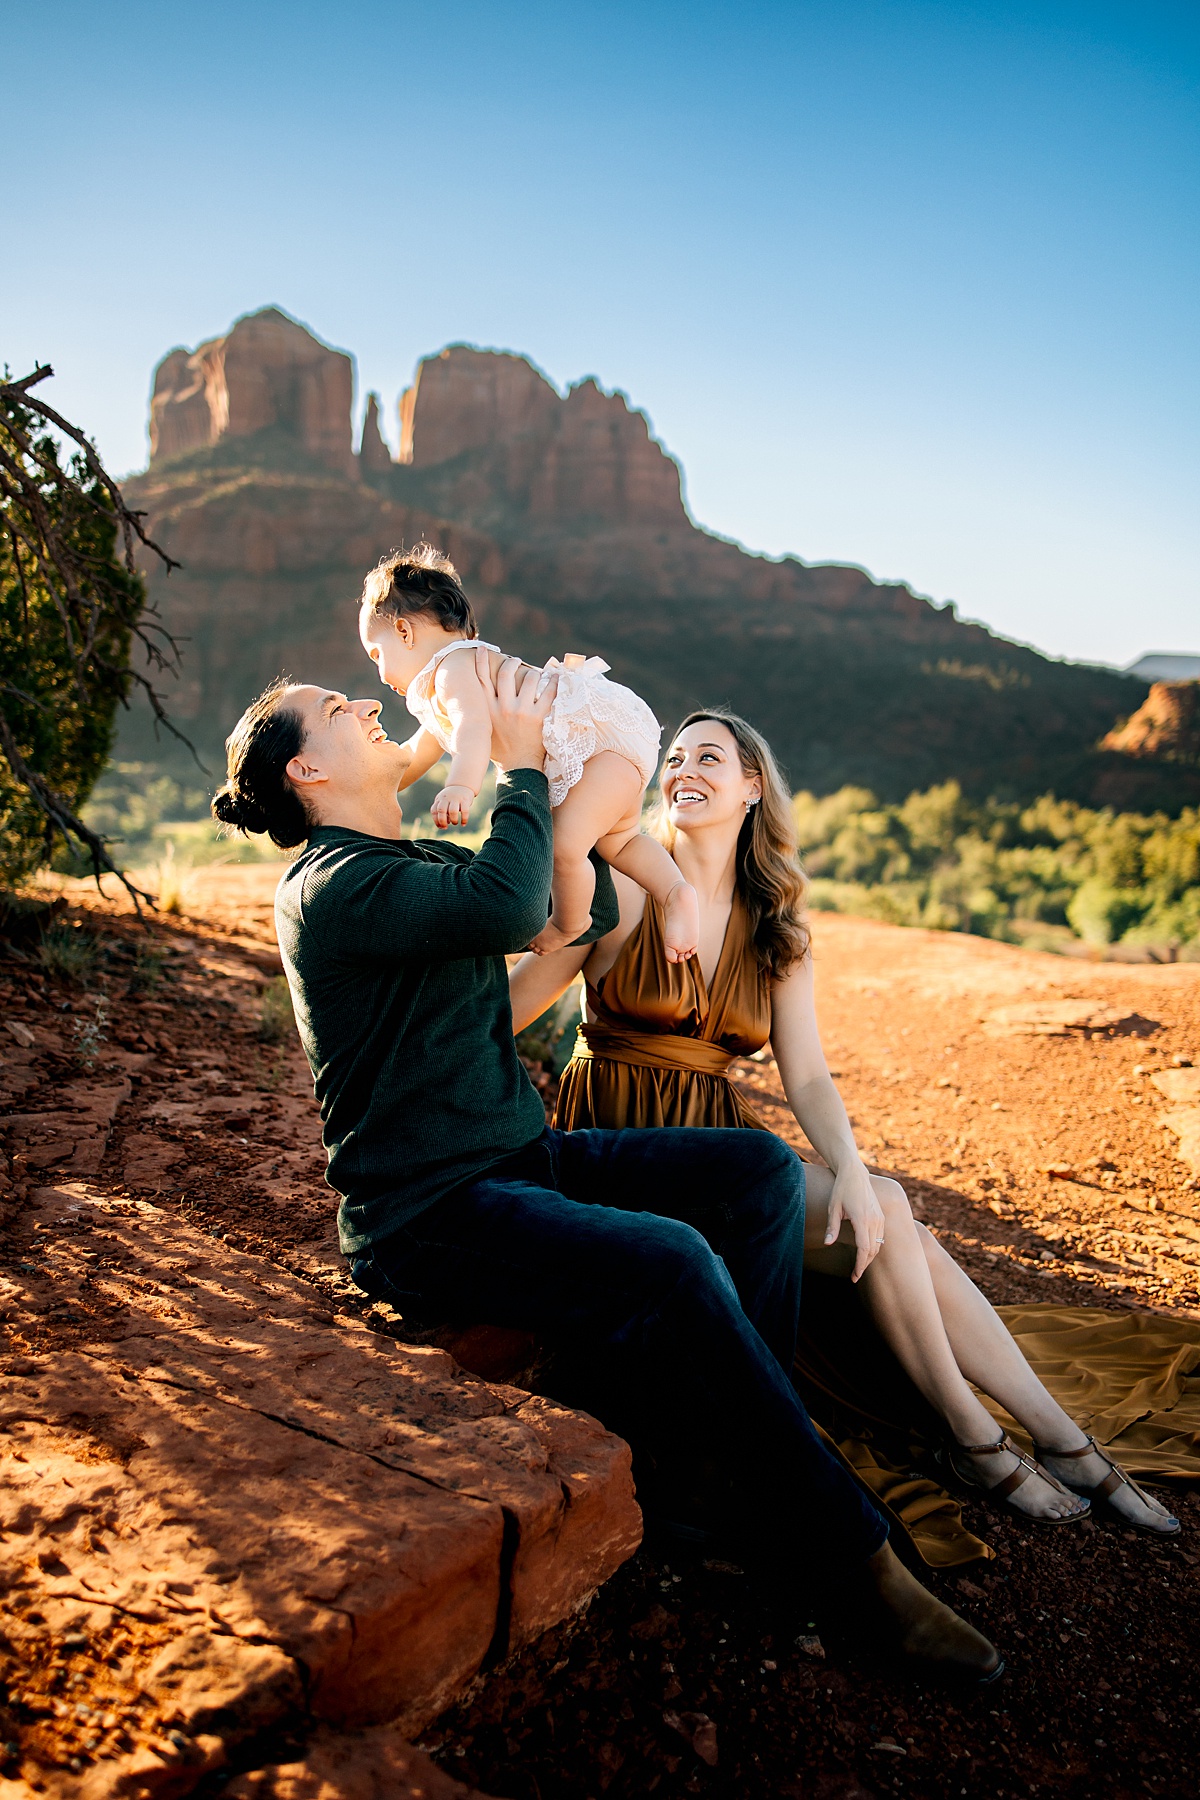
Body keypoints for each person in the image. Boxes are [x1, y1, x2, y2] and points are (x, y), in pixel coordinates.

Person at [211, 660, 1001, 1681]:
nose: (366, 703)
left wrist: (587, 816)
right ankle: (849, 1553)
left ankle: (720, 1472)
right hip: (429, 1212)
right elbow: (506, 904)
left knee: (758, 1172)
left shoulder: (398, 866)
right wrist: (528, 761)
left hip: (515, 1157)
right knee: (670, 1259)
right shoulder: (335, 887)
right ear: (308, 771)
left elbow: (543, 915)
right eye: (336, 707)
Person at [510, 708, 1181, 1544]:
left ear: (752, 787)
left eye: (709, 756)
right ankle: (997, 1440)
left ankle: (1041, 1437)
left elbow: (810, 1076)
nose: (683, 767)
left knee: (885, 1206)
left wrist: (854, 1171)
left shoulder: (778, 930)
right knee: (893, 1215)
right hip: (624, 1142)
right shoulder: (622, 886)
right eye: (674, 756)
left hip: (727, 1148)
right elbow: (510, 1008)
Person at [358, 543, 699, 960]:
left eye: (377, 654)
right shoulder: (447, 682)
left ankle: (572, 921)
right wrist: (372, 790)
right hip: (606, 748)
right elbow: (415, 754)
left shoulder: (452, 669)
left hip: (596, 740)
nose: (379, 671)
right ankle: (676, 892)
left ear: (404, 633)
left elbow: (473, 727)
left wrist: (461, 786)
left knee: (564, 847)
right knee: (619, 841)